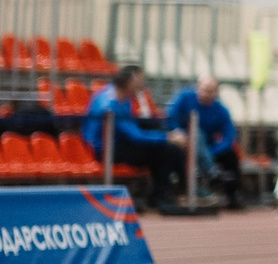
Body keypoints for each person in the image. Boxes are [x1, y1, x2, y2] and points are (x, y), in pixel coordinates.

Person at [84, 65, 185, 208]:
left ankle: (167, 193)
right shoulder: (112, 103)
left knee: (166, 150)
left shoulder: (121, 97)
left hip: (119, 144)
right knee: (167, 150)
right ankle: (164, 195)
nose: (143, 85)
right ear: (130, 82)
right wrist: (168, 137)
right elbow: (135, 135)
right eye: (140, 81)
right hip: (105, 150)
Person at [165, 74, 240, 206]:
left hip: (207, 148)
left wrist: (211, 152)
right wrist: (177, 133)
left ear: (216, 93)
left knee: (230, 156)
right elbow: (170, 117)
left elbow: (229, 136)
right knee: (195, 133)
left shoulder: (221, 110)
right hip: (182, 143)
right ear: (197, 87)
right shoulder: (184, 98)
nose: (206, 94)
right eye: (204, 89)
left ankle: (234, 195)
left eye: (210, 91)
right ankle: (211, 172)